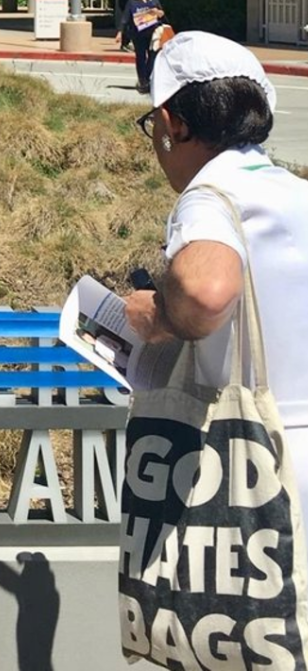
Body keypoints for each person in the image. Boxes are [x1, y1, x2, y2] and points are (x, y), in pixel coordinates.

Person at [123, 32, 308, 541]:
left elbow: (206, 289)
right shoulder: (295, 192)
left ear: (172, 124)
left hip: (254, 470)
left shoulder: (209, 197)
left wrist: (157, 315)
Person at [115, 0, 164, 94]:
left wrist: (158, 12)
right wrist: (120, 32)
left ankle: (147, 77)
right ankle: (142, 80)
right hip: (138, 34)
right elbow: (125, 18)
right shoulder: (131, 2)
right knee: (140, 57)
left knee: (153, 55)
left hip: (153, 33)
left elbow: (161, 13)